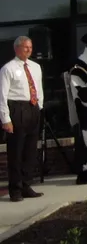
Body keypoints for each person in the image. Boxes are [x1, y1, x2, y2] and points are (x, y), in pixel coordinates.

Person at [0, 36, 44, 202]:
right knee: (16, 151)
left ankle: (26, 184)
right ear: (17, 48)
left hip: (33, 108)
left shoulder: (36, 67)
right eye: (25, 47)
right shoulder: (8, 69)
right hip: (17, 109)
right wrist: (6, 119)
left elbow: (39, 88)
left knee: (30, 151)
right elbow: (2, 96)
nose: (29, 50)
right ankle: (15, 189)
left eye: (30, 47)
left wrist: (39, 107)